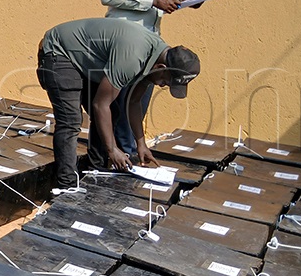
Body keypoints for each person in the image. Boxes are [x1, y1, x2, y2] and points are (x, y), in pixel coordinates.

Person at [37, 18, 200, 189]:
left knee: (113, 113)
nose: (162, 85)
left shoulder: (156, 57)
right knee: (70, 121)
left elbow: (134, 101)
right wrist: (112, 149)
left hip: (86, 59)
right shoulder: (133, 57)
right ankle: (67, 186)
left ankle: (95, 171)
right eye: (165, 82)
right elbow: (100, 105)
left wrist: (141, 144)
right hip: (59, 51)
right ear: (160, 67)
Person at [101, 0, 198, 157]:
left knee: (137, 106)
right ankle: (119, 159)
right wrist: (153, 1)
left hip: (151, 47)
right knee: (120, 108)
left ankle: (131, 154)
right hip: (125, 44)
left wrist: (178, 2)